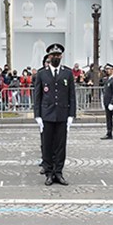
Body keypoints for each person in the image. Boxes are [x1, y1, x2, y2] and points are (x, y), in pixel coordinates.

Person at [33, 44, 76, 186]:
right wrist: (37, 115)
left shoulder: (67, 73)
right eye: (53, 55)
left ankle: (59, 172)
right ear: (49, 57)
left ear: (61, 56)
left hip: (62, 114)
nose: (56, 57)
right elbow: (37, 96)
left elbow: (72, 96)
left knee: (60, 145)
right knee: (47, 145)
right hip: (46, 115)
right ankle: (49, 173)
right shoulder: (41, 73)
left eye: (58, 55)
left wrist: (71, 115)